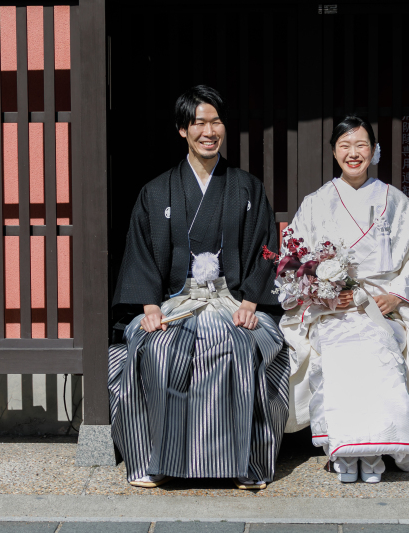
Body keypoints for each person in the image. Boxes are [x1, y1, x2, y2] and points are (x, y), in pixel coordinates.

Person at [108, 85, 289, 490]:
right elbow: (139, 250)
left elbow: (266, 246)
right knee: (156, 348)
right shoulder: (156, 192)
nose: (209, 131)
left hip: (232, 299)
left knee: (243, 347)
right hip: (175, 300)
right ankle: (157, 459)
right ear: (182, 130)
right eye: (199, 123)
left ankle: (246, 463)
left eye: (216, 121)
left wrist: (251, 300)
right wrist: (149, 305)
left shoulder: (246, 188)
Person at [280, 116, 409, 483]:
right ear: (334, 152)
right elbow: (292, 260)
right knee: (339, 352)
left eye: (361, 145)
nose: (353, 153)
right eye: (345, 146)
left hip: (381, 308)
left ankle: (376, 451)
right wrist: (324, 293)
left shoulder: (394, 201)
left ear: (374, 150)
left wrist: (396, 296)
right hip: (331, 311)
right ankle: (345, 451)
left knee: (378, 348)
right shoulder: (315, 203)